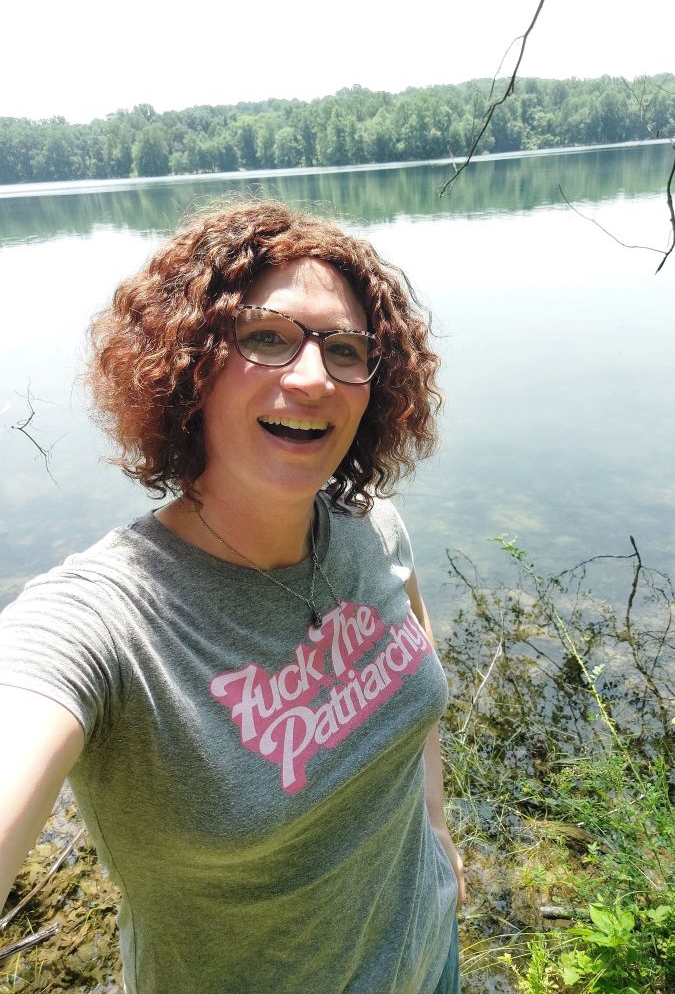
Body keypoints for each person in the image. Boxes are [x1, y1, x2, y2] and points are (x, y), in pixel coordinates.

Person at [0, 199, 465, 994]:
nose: (314, 377)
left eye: (347, 349)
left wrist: (436, 824)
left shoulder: (375, 528)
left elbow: (416, 674)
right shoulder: (107, 622)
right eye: (265, 336)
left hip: (430, 961)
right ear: (187, 361)